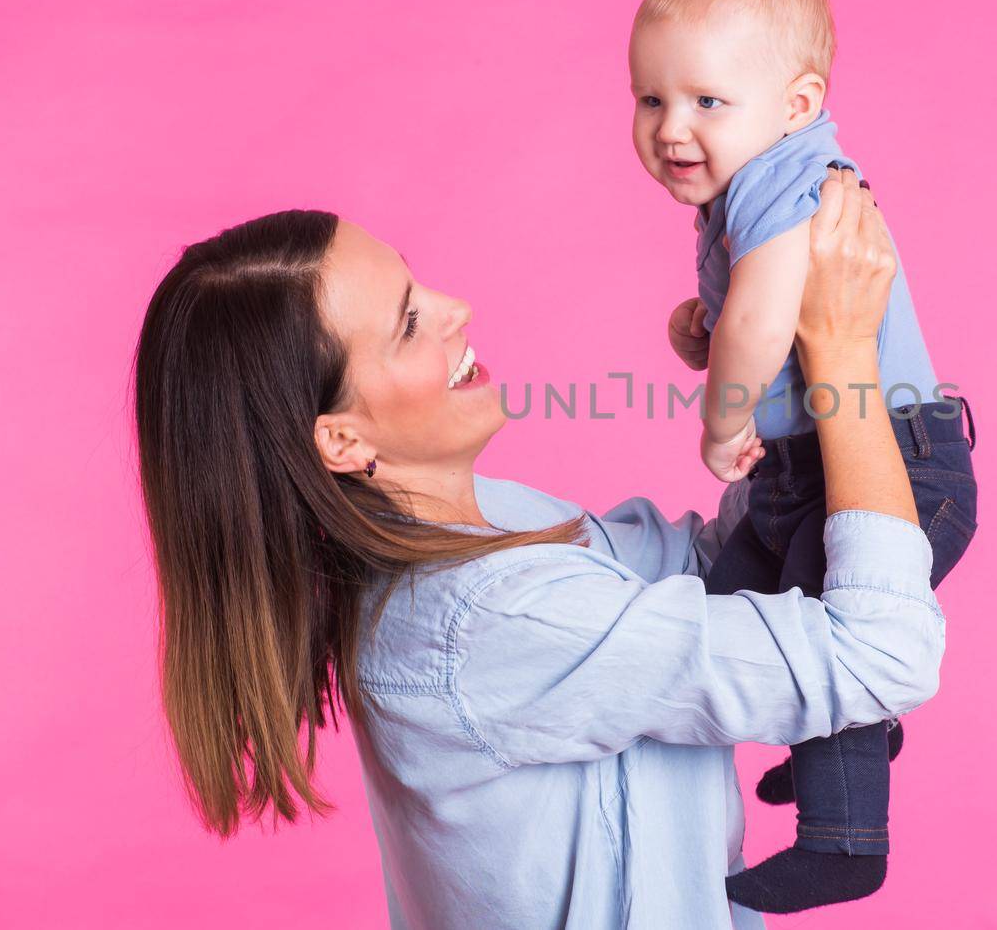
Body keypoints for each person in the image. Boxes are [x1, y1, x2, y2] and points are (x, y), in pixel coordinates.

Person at [133, 169, 949, 929]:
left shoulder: (479, 522)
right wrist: (846, 361)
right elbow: (884, 653)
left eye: (418, 284)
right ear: (341, 438)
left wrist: (781, 374)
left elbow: (705, 581)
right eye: (410, 323)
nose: (456, 309)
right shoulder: (485, 615)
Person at [629, 0, 980, 911]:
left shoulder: (794, 176)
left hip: (893, 463)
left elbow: (760, 320)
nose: (670, 127)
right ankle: (845, 730)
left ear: (795, 104)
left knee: (827, 626)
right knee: (739, 608)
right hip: (804, 470)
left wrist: (718, 419)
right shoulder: (747, 187)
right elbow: (741, 315)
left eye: (706, 100)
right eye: (650, 99)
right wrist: (698, 328)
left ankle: (843, 834)